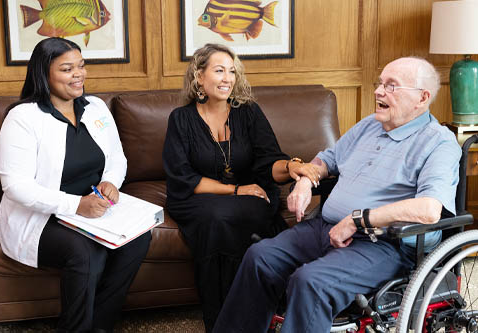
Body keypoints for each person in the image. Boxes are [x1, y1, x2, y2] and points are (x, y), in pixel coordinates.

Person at [213, 57, 461, 333]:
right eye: (380, 84)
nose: (378, 92)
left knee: (310, 282)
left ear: (422, 98)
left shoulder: (438, 142)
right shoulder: (369, 126)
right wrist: (306, 182)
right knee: (260, 257)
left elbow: (429, 209)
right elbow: (326, 159)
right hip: (325, 226)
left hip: (382, 244)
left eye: (391, 86)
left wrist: (358, 220)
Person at [0, 37, 151, 332]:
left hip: (93, 207)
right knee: (84, 252)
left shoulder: (96, 107)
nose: (79, 74)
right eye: (67, 69)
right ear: (44, 74)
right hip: (42, 216)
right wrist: (77, 204)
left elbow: (117, 158)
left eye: (81, 65)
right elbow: (15, 186)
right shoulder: (23, 118)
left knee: (139, 238)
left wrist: (110, 182)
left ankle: (99, 325)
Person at [162, 43, 317, 332]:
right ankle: (222, 317)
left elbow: (268, 159)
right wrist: (235, 190)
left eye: (232, 71)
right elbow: (182, 177)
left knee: (239, 213)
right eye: (219, 70)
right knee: (215, 219)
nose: (227, 78)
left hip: (250, 194)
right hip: (199, 196)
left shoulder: (248, 112)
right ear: (199, 76)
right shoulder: (181, 119)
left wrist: (291, 166)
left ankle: (244, 310)